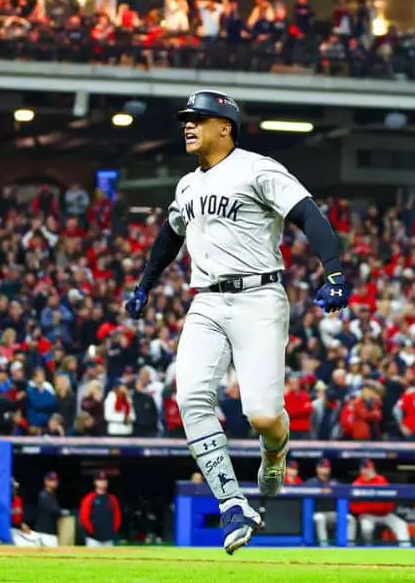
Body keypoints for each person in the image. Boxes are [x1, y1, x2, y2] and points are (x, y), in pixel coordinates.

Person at [124, 90, 349, 554]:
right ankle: (233, 504)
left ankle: (275, 448)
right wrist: (146, 283)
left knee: (263, 414)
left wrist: (335, 271)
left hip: (259, 296)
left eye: (198, 119)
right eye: (186, 120)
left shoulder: (256, 168)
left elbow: (308, 213)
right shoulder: (187, 185)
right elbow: (170, 236)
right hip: (205, 300)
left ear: (224, 126)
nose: (188, 126)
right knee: (189, 396)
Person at [350, 460, 410, 546]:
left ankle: (406, 549)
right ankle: (368, 548)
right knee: (366, 528)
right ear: (361, 470)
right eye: (365, 469)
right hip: (367, 515)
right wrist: (370, 509)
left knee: (401, 524)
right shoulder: (356, 484)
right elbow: (353, 507)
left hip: (384, 514)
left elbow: (390, 500)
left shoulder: (381, 480)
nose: (367, 471)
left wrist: (384, 510)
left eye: (369, 468)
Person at [306, 460, 352, 547]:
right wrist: (320, 491)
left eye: (327, 468)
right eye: (322, 467)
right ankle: (324, 547)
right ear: (317, 469)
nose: (325, 470)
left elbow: (346, 491)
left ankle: (349, 546)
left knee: (350, 519)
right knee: (320, 518)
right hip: (316, 513)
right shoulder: (311, 482)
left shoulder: (335, 482)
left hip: (332, 513)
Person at [14, 472, 61, 548]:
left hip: (50, 532)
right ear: (46, 481)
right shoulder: (43, 495)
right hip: (44, 533)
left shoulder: (52, 495)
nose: (54, 482)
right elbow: (54, 511)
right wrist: (61, 512)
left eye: (55, 480)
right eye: (51, 480)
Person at [79, 472, 121, 547]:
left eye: (105, 480)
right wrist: (91, 530)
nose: (103, 482)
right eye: (100, 480)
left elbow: (117, 516)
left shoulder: (112, 498)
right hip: (93, 539)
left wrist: (113, 530)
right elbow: (84, 518)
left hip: (108, 539)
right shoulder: (89, 497)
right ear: (95, 482)